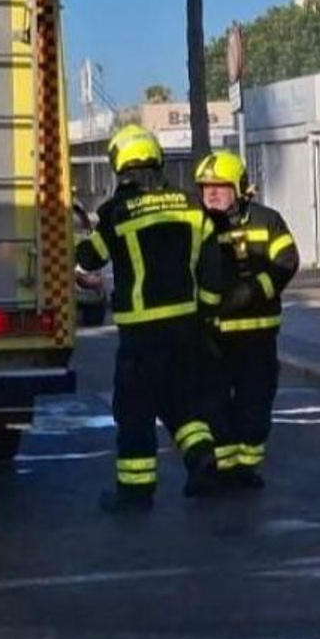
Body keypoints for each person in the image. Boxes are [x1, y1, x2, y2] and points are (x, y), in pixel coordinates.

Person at [77, 125, 225, 511]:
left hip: (142, 332)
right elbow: (212, 270)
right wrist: (207, 316)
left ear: (121, 168)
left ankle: (135, 490)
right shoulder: (193, 207)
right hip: (187, 326)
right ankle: (202, 457)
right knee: (180, 400)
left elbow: (90, 258)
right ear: (157, 162)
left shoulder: (116, 213)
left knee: (135, 407)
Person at [196, 150, 299, 491]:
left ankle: (246, 469)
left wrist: (252, 292)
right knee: (214, 406)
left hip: (257, 337)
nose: (211, 194)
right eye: (206, 187)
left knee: (254, 407)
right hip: (212, 338)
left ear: (239, 188)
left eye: (220, 187)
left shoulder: (267, 220)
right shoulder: (195, 225)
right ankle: (223, 470)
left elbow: (286, 261)